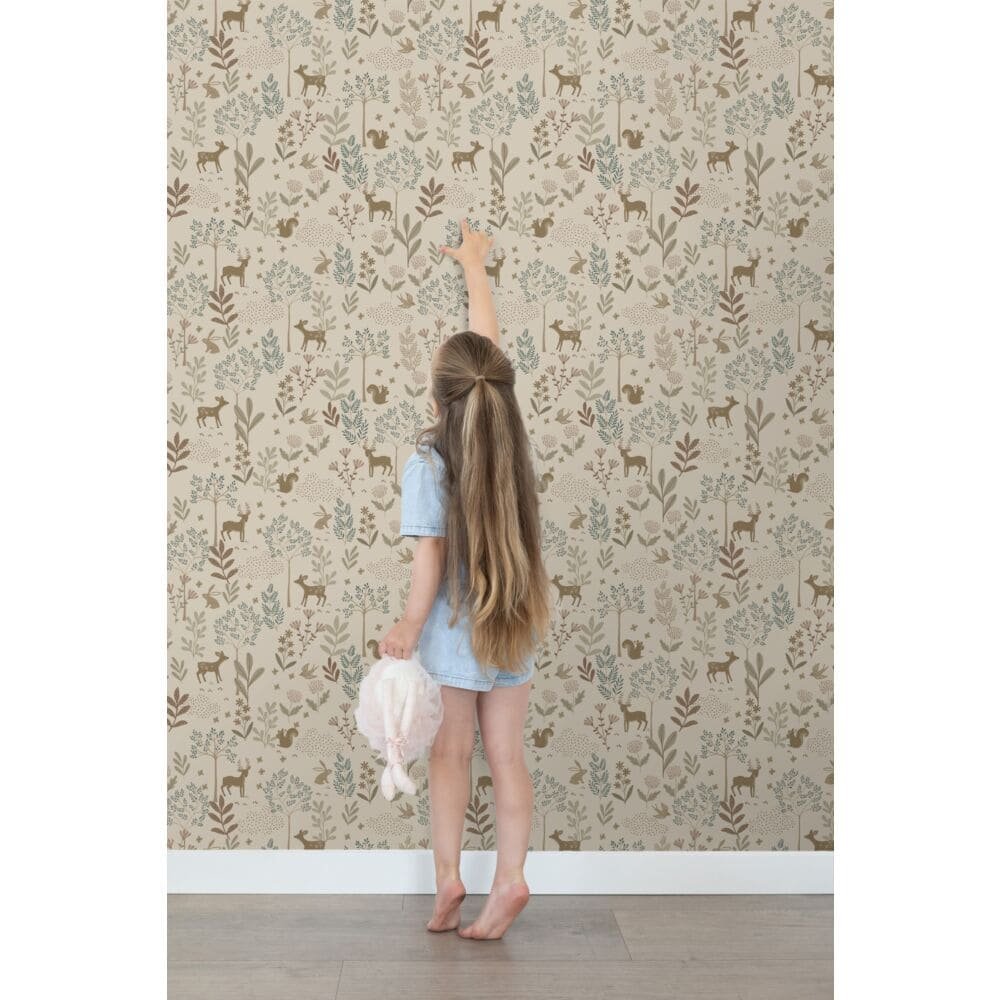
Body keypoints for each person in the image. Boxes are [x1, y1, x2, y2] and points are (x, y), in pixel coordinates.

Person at [377, 219, 551, 940]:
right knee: (507, 755)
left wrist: (408, 625)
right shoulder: (506, 441)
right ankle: (510, 878)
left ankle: (449, 877)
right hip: (512, 618)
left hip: (451, 632)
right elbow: (488, 357)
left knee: (451, 754)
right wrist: (476, 267)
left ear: (439, 398)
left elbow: (430, 557)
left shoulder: (429, 462)